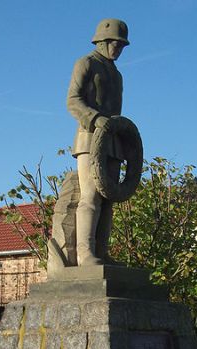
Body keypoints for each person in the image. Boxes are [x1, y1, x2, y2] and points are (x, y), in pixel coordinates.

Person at [67, 18, 129, 266]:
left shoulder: (117, 74)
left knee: (108, 199)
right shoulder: (86, 63)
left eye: (122, 45)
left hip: (113, 144)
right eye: (116, 43)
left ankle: (102, 253)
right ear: (103, 41)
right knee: (90, 196)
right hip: (89, 138)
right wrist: (95, 118)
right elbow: (73, 100)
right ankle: (85, 254)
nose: (119, 49)